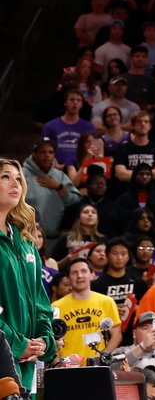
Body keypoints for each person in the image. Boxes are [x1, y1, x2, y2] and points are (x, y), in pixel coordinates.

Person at [0, 158, 55, 393]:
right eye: (5, 177)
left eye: (19, 178)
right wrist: (16, 344)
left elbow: (41, 302)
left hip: (30, 364)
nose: (16, 183)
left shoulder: (26, 243)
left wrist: (45, 340)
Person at [54, 256, 123, 360]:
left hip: (97, 366)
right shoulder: (56, 306)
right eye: (74, 273)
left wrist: (103, 356)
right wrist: (58, 365)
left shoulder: (107, 301)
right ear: (68, 278)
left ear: (92, 275)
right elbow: (53, 341)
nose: (79, 276)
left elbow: (116, 334)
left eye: (84, 271)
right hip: (68, 366)